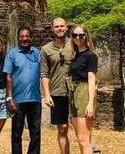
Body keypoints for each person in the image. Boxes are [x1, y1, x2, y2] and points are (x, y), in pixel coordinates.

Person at [4, 26, 41, 154]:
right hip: (18, 100)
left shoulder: (37, 53)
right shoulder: (12, 53)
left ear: (31, 37)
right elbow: (8, 77)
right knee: (16, 134)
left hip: (35, 99)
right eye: (22, 36)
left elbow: (44, 74)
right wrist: (9, 98)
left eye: (27, 36)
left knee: (35, 133)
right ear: (18, 38)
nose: (24, 39)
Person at [40, 17, 74, 154]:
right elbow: (44, 73)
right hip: (57, 92)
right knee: (63, 128)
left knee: (80, 127)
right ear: (52, 29)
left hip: (74, 91)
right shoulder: (45, 49)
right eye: (57, 26)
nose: (59, 29)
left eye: (62, 26)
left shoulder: (74, 44)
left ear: (66, 27)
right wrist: (47, 95)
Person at [69, 25, 98, 154]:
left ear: (86, 36)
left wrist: (90, 104)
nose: (78, 37)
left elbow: (92, 79)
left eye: (81, 35)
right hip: (73, 93)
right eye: (75, 35)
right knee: (82, 138)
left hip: (84, 92)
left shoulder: (90, 55)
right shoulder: (75, 55)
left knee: (83, 140)